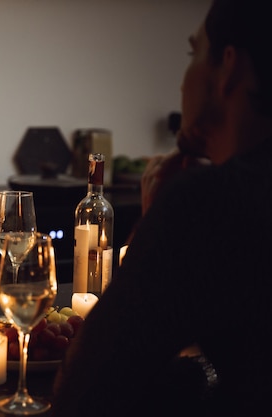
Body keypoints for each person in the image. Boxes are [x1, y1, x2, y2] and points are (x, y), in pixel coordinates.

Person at [53, 0, 272, 416]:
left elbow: (83, 391)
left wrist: (154, 223)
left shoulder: (212, 200)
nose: (181, 82)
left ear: (229, 69)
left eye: (193, 54)